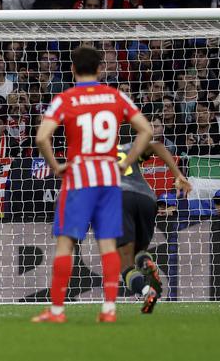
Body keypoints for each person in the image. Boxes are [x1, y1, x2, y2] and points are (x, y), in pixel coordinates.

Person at [33, 46, 152, 323]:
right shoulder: (116, 96)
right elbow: (146, 130)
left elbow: (41, 137)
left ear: (72, 69)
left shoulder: (65, 98)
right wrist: (126, 162)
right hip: (110, 179)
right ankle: (109, 310)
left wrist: (56, 166)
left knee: (65, 244)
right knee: (108, 245)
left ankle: (57, 311)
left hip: (78, 178)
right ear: (100, 69)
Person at [116, 140, 191, 314]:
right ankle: (146, 262)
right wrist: (178, 175)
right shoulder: (127, 149)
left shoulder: (92, 157)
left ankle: (146, 292)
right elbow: (157, 144)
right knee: (139, 252)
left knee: (125, 263)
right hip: (147, 198)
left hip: (119, 198)